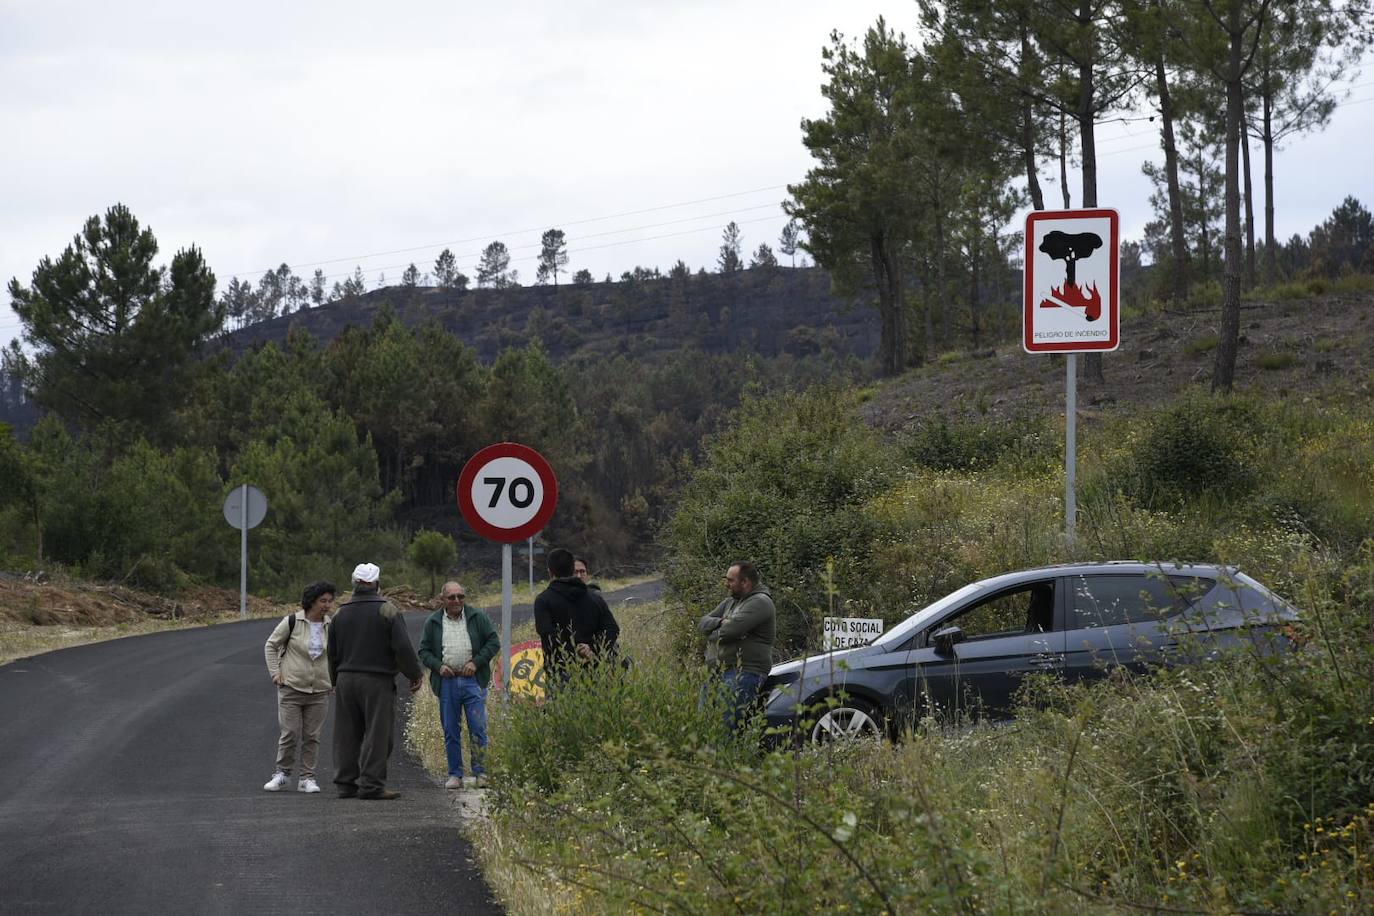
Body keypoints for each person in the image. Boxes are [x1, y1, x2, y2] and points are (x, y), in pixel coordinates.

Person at [327, 563, 423, 800]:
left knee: (346, 734)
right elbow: (402, 648)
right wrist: (414, 674)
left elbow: (332, 652)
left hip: (346, 679)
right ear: (377, 584)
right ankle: (371, 785)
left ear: (354, 584)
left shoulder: (340, 612)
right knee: (377, 734)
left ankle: (345, 784)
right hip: (376, 680)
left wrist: (334, 680)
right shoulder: (387, 611)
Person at [418, 581, 500, 790]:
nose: (456, 601)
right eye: (452, 597)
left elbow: (493, 643)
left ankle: (481, 772)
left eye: (460, 596)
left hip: (473, 681)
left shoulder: (477, 617)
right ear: (442, 599)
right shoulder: (433, 622)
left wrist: (476, 662)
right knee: (451, 730)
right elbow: (424, 651)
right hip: (447, 682)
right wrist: (438, 666)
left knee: (478, 727)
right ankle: (455, 774)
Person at [262, 580, 335, 794]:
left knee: (313, 735)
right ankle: (282, 774)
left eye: (330, 601)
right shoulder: (292, 621)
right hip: (291, 688)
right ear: (312, 601)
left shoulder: (331, 625)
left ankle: (307, 778)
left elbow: (336, 655)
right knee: (290, 732)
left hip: (319, 690)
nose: (327, 605)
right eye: (323, 600)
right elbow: (271, 645)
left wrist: (335, 679)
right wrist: (276, 672)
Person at [698, 562, 776, 731]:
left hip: (744, 672)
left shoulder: (760, 602)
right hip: (719, 671)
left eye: (731, 580)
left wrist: (715, 633)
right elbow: (702, 623)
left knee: (724, 727)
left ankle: (725, 758)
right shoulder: (730, 603)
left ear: (745, 582)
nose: (727, 584)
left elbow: (728, 634)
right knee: (703, 724)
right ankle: (707, 757)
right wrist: (720, 622)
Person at [534, 547, 620, 686]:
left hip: (560, 675)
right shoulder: (595, 598)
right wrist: (592, 650)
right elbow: (612, 629)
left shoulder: (543, 601)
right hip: (595, 672)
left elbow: (549, 636)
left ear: (550, 572)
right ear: (571, 570)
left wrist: (574, 652)